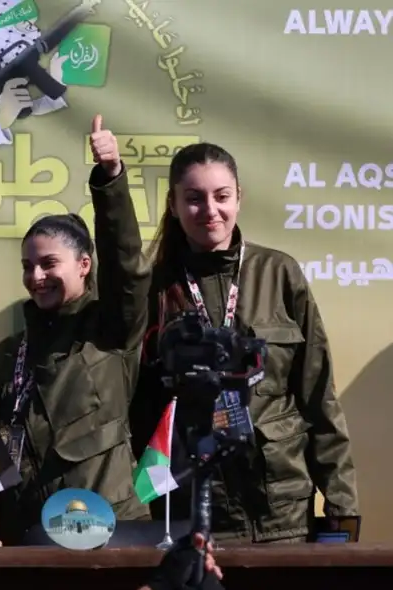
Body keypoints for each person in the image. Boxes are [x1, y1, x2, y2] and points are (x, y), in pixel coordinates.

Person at [130, 142, 359, 543]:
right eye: (194, 199)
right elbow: (137, 413)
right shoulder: (153, 289)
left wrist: (342, 507)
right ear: (173, 204)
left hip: (283, 510)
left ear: (240, 198)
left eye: (222, 196)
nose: (210, 211)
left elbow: (318, 393)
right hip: (194, 515)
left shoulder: (279, 272)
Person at [0, 115, 151, 545]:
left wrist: (111, 179)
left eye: (49, 264)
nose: (36, 276)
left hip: (109, 534)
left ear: (84, 265)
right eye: (28, 266)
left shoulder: (111, 332)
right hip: (29, 541)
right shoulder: (7, 355)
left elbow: (128, 266)